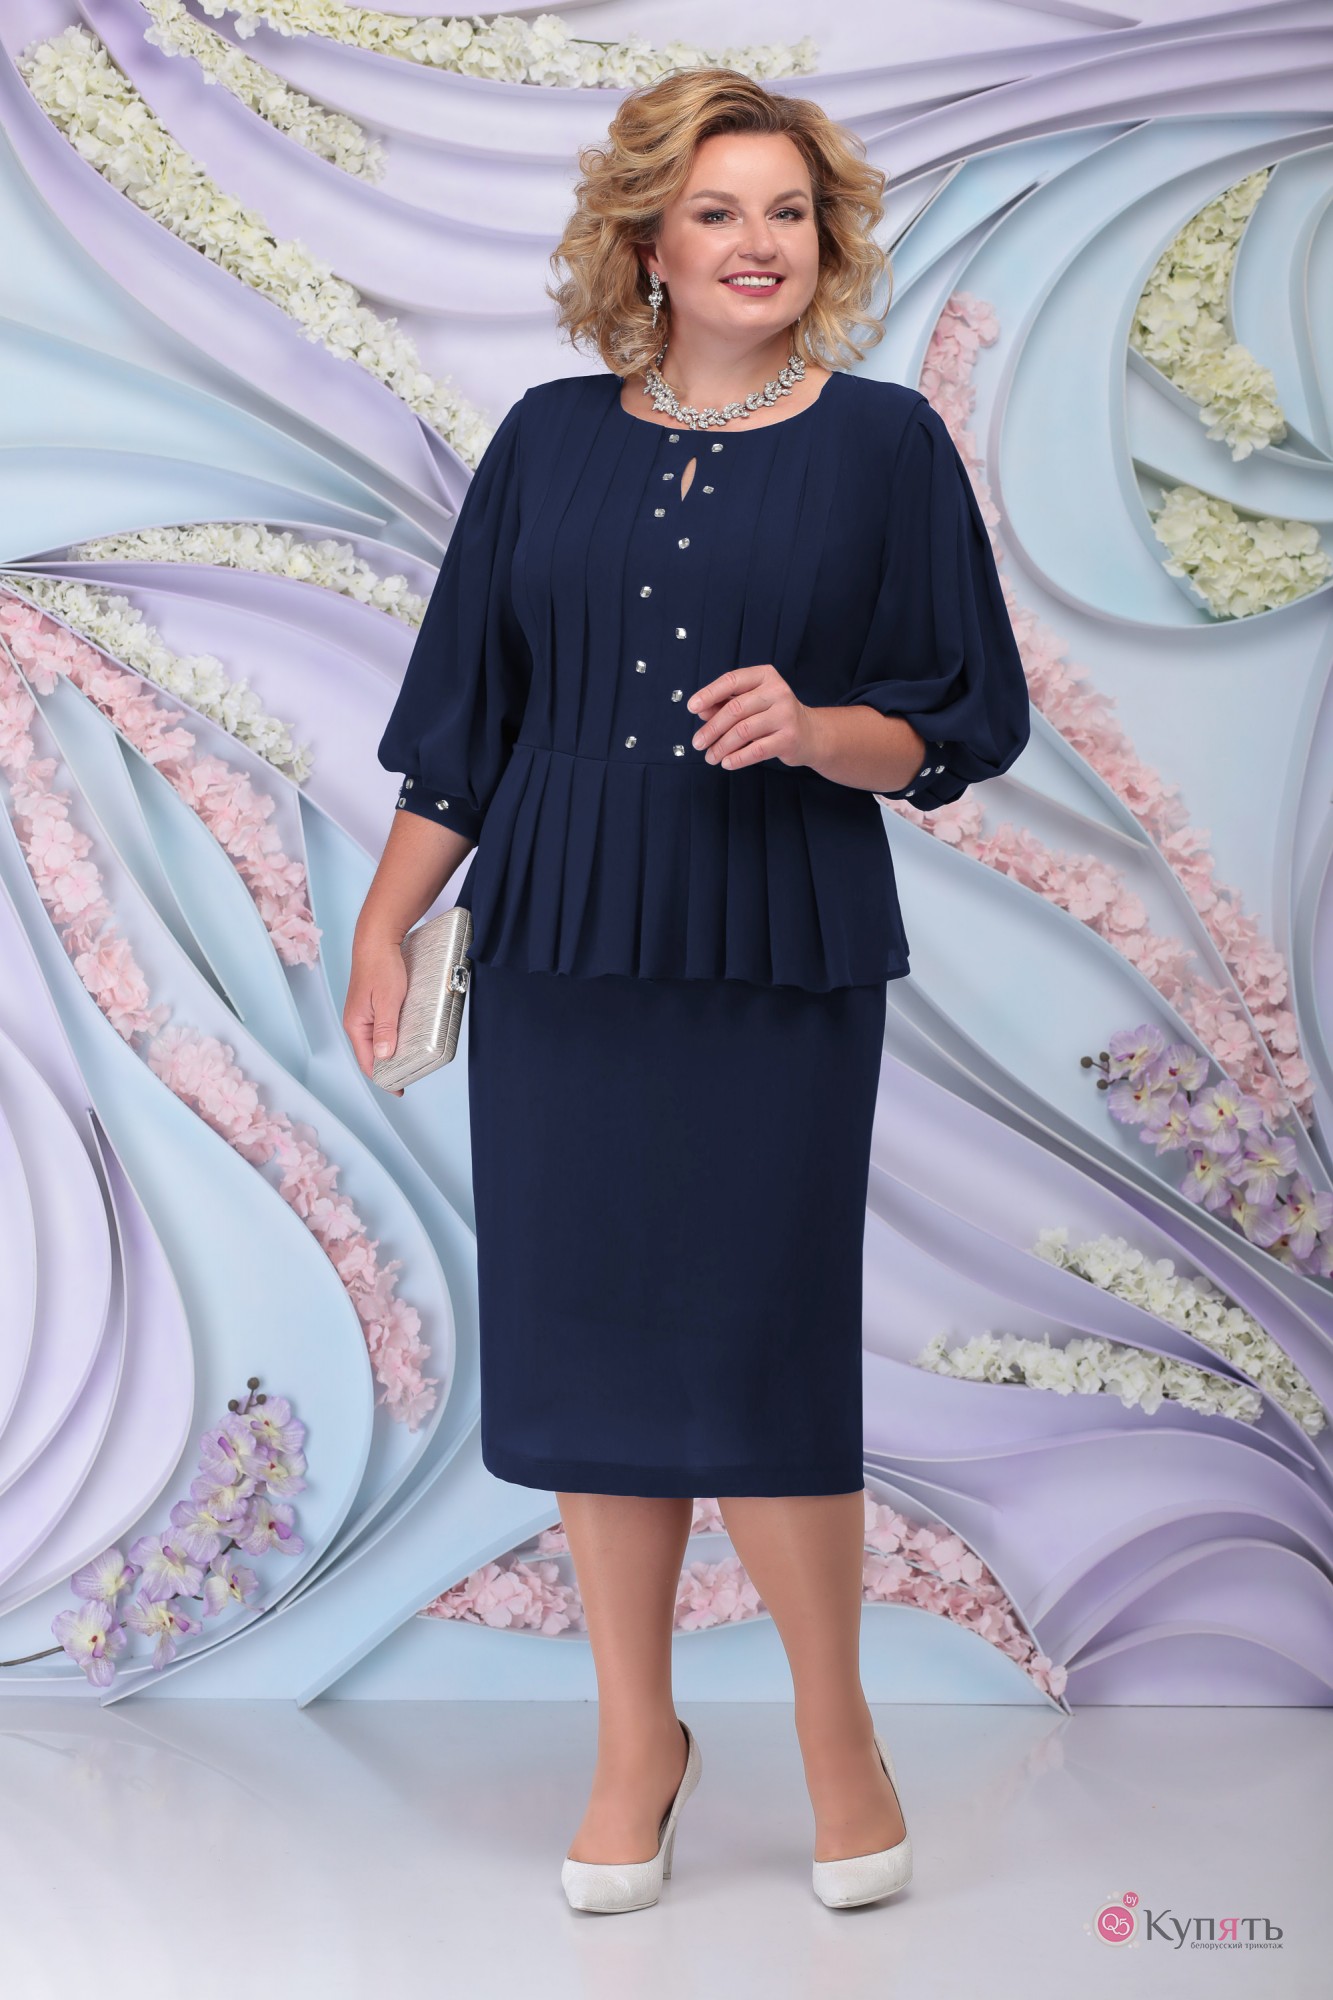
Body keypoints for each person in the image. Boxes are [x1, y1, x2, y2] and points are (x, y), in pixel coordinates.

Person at [345, 68, 1030, 1914]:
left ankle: (834, 1735)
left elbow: (959, 723)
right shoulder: (546, 437)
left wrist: (816, 727)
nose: (756, 242)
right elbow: (462, 729)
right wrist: (384, 924)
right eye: (717, 210)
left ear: (825, 241)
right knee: (591, 1346)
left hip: (773, 939)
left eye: (786, 212)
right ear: (645, 241)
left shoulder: (884, 445)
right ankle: (633, 1742)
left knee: (761, 1339)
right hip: (561, 938)